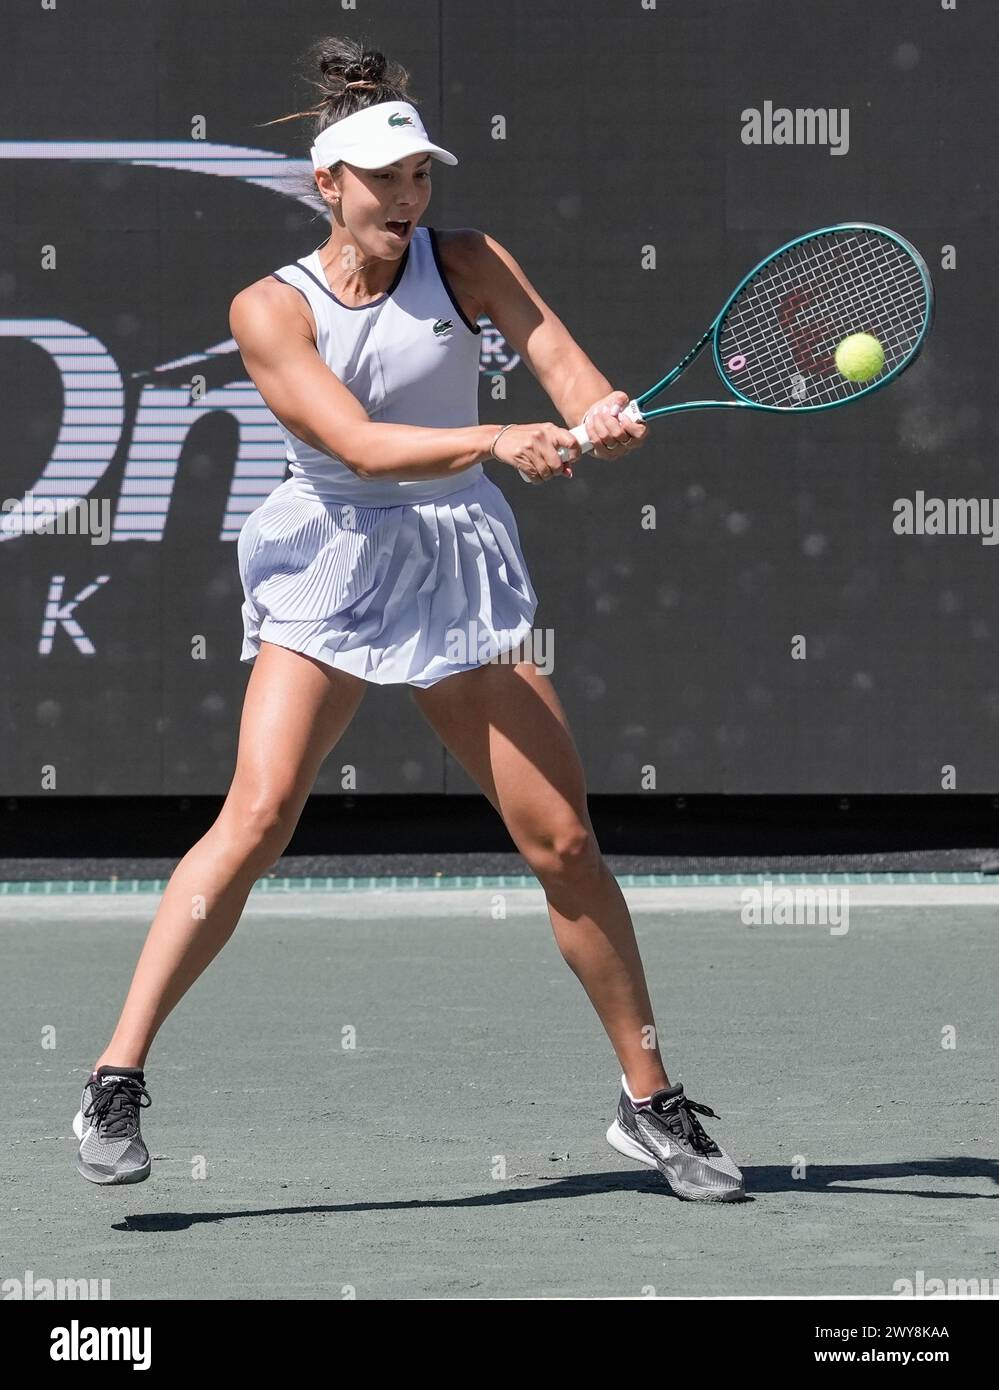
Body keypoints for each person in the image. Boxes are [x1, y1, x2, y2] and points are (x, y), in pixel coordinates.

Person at [73, 38, 745, 1203]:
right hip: (332, 554)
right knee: (262, 810)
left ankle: (650, 1104)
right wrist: (494, 439)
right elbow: (360, 447)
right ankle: (114, 1076)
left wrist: (601, 416)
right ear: (327, 184)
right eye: (384, 180)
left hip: (455, 562)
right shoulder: (267, 308)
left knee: (566, 844)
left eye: (420, 175)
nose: (407, 198)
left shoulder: (468, 259)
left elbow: (565, 370)